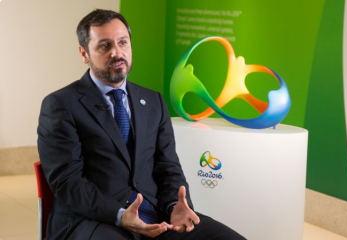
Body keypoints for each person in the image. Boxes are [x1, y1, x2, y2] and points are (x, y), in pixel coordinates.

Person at [37, 9, 246, 240]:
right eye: (104, 46)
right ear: (84, 53)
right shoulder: (60, 105)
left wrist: (173, 206)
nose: (117, 52)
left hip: (156, 214)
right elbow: (69, 184)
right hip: (93, 220)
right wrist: (119, 215)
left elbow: (168, 167)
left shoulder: (153, 101)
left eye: (123, 42)